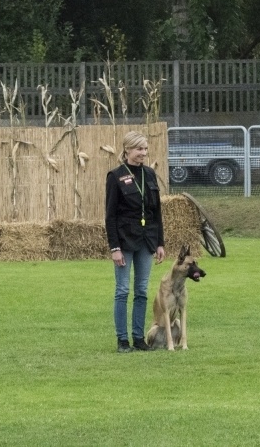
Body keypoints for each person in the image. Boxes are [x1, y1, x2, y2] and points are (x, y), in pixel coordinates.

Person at [105, 131, 166, 353]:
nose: (143, 153)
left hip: (146, 239)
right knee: (122, 290)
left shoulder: (150, 174)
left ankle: (138, 338)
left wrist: (160, 243)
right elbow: (110, 216)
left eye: (145, 149)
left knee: (141, 290)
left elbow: (157, 212)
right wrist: (115, 248)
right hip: (124, 240)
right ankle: (122, 340)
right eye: (139, 149)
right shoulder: (115, 176)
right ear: (128, 149)